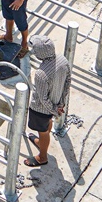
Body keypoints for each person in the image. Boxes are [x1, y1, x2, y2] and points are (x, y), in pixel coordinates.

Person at [24, 34, 71, 169]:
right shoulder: (62, 59)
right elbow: (67, 82)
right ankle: (41, 142)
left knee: (43, 132)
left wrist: (54, 110)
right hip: (56, 102)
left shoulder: (41, 74)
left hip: (41, 109)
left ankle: (42, 157)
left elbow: (43, 98)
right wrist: (60, 104)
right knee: (46, 126)